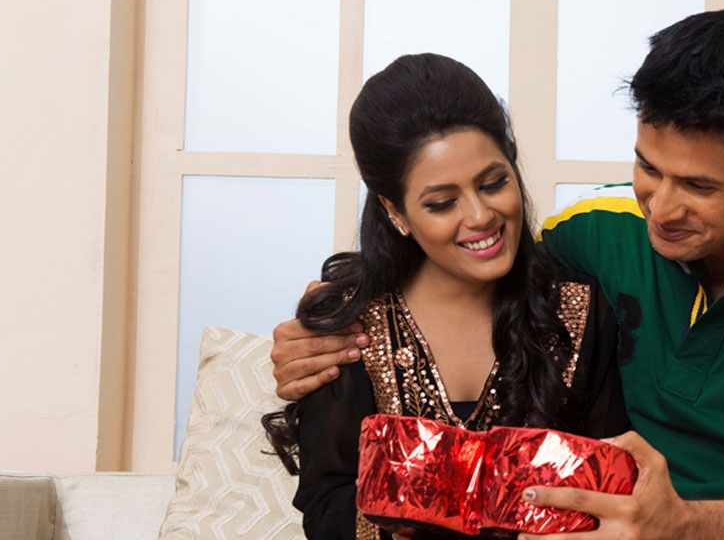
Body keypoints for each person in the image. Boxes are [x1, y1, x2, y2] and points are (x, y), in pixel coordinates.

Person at [271, 10, 724, 540]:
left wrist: (690, 525)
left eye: (698, 186)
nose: (660, 208)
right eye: (647, 167)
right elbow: (475, 262)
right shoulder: (601, 232)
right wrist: (332, 315)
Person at [262, 53, 629, 540]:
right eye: (442, 203)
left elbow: (607, 490)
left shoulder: (577, 310)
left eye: (494, 183)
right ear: (395, 212)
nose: (480, 216)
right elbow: (326, 506)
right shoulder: (352, 326)